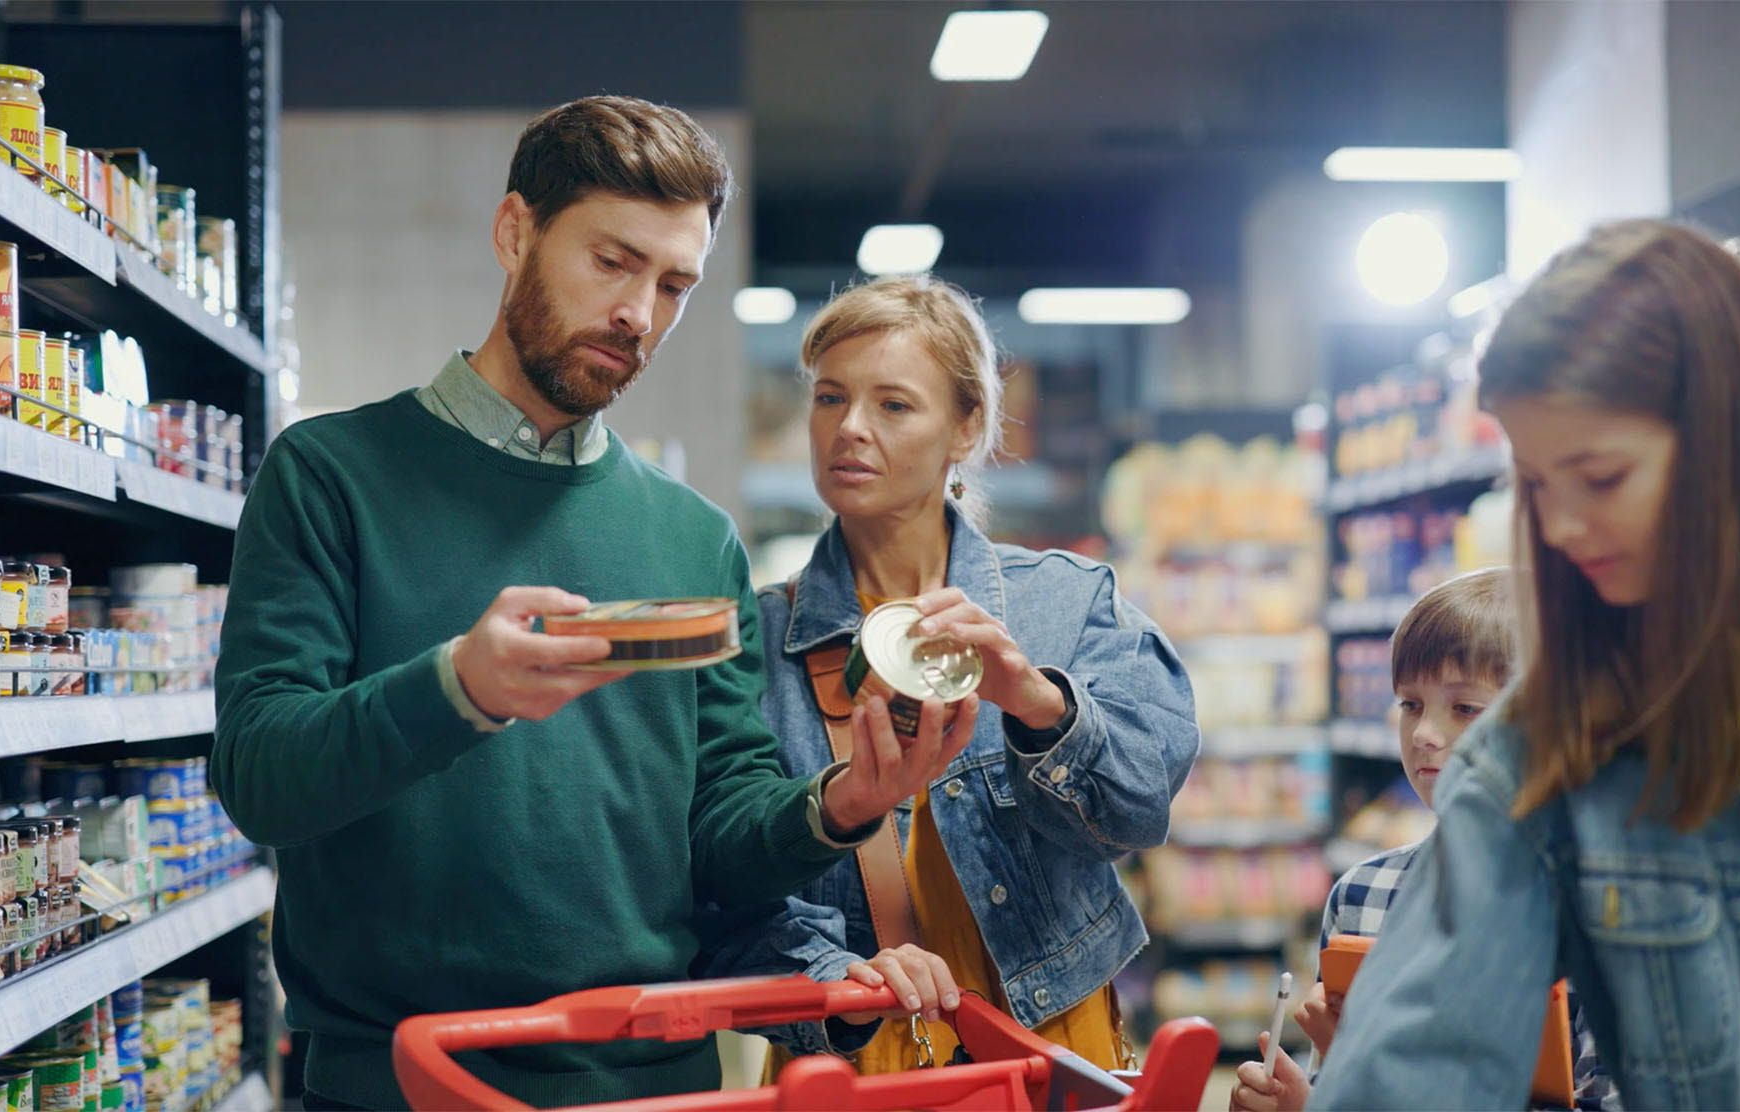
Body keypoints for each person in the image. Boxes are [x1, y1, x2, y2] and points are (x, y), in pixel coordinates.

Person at [212, 97, 965, 1110]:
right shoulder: (329, 475)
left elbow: (720, 828)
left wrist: (837, 806)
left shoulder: (692, 536)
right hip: (403, 1080)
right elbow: (260, 774)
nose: (639, 313)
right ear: (514, 231)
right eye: (612, 262)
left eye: (673, 284)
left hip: (654, 1082)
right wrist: (457, 687)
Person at [1309, 220, 1740, 1110]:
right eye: (1537, 484)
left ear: (1733, 433)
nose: (1558, 527)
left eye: (1599, 478)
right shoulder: (1557, 737)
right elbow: (1414, 1066)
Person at [700, 275, 1201, 1072]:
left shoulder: (1065, 603)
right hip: (857, 1062)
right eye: (830, 399)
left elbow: (1140, 810)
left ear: (966, 427)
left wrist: (1037, 705)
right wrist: (834, 974)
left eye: (893, 405)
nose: (849, 428)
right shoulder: (757, 638)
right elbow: (719, 890)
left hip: (1053, 1056)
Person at [1229, 569, 1616, 1112]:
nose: (1424, 734)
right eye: (1410, 704)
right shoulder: (1363, 895)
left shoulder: (1606, 910)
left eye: (1465, 708)